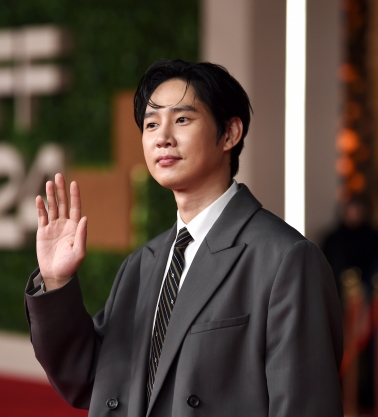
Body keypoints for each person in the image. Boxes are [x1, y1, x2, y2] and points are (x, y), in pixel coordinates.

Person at [24, 59, 343, 416]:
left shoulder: (286, 259)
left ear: (229, 134)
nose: (162, 137)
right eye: (151, 124)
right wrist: (56, 280)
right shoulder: (143, 263)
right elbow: (84, 378)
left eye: (182, 119)